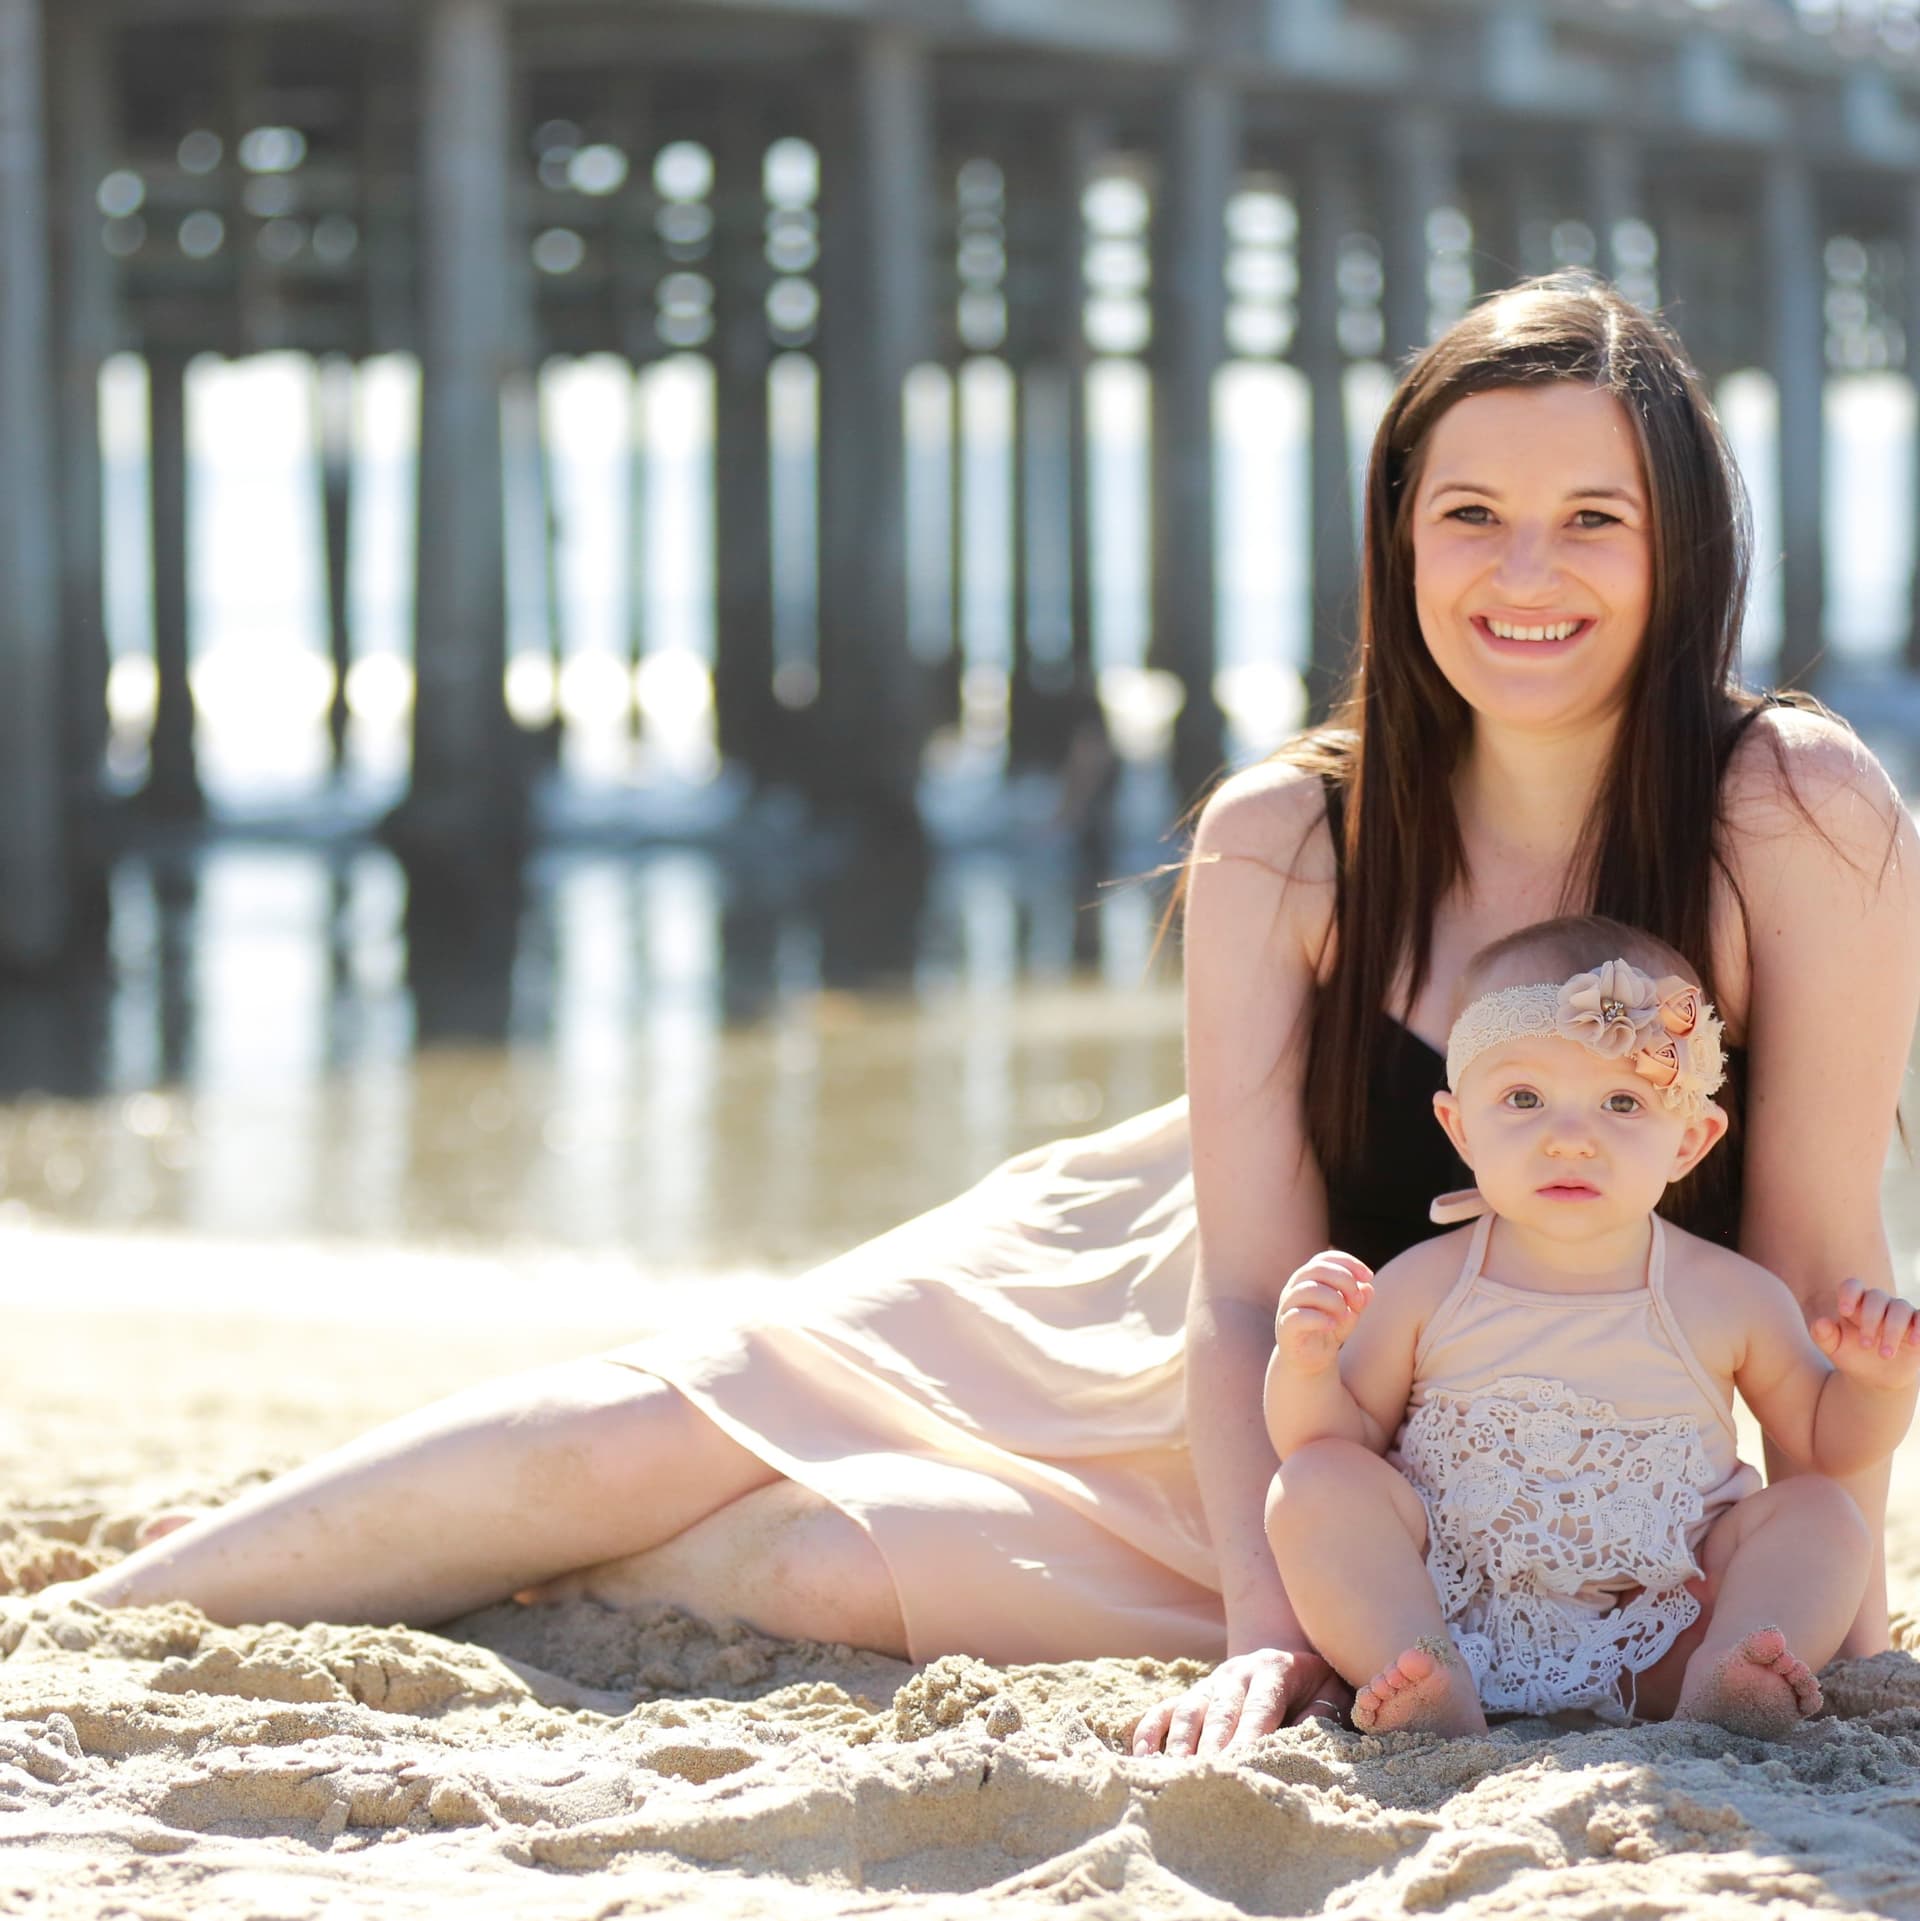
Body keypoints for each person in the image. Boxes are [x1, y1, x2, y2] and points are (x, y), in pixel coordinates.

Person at [55, 273, 1920, 1760]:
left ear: (1679, 544)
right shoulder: (1296, 835)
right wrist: (1282, 1635)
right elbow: (1241, 1292)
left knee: (803, 1561)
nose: (1529, 574)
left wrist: (1774, 1570)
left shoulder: (1796, 813)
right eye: (1472, 516)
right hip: (1198, 1324)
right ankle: (84, 1632)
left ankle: (472, 1590)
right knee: (612, 1439)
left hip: (1456, 1430)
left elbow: (1823, 1280)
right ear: (1397, 541)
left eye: (1594, 517)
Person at [1264, 916, 1917, 1740]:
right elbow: (1332, 1437)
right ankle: (1419, 1667)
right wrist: (1307, 1364)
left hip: (1661, 1635)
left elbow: (1827, 1444)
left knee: (1823, 1513)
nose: (1569, 1138)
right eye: (1524, 1098)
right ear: (1460, 1126)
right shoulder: (1427, 1285)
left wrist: (1876, 1383)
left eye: (1621, 1101)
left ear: (1689, 1138)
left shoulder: (1727, 1294)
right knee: (1314, 1485)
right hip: (1461, 1613)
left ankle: (1734, 1669)